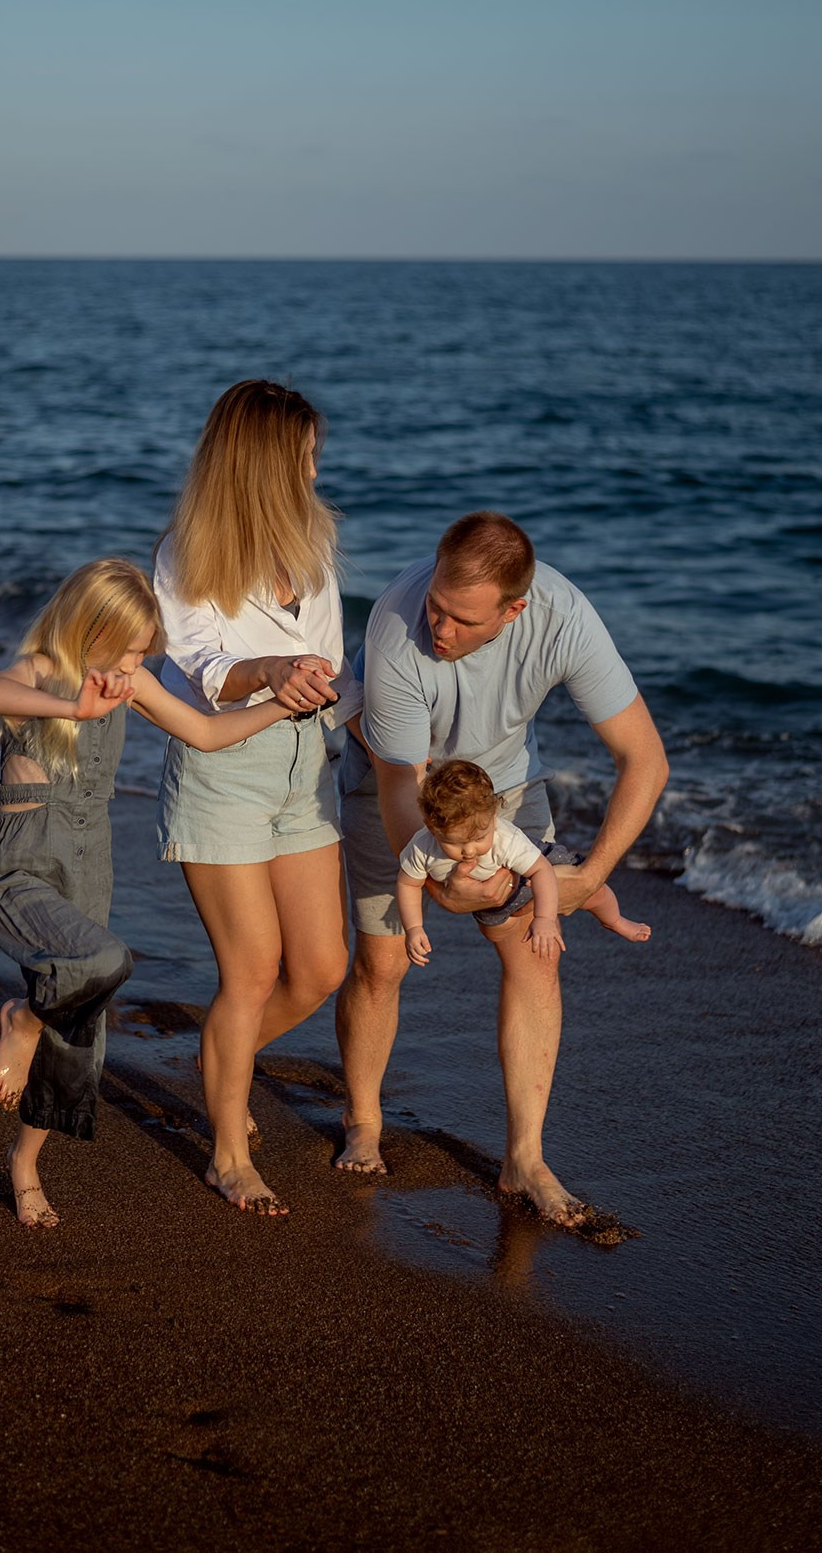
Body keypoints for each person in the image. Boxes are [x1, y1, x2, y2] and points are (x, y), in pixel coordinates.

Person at [336, 511, 668, 1225]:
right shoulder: (396, 626)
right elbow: (402, 786)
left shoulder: (563, 619)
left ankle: (526, 1157)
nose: (439, 627)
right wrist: (441, 884)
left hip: (503, 787)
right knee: (383, 962)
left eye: (461, 619)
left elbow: (644, 758)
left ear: (513, 612)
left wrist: (588, 877)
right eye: (436, 605)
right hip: (394, 784)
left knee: (534, 955)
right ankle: (362, 1119)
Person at [0, 558, 295, 1229]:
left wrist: (279, 702)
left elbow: (205, 733)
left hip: (90, 863)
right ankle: (21, 1020)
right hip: (21, 865)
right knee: (104, 962)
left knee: (80, 1029)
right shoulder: (41, 671)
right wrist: (73, 706)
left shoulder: (131, 681)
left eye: (144, 652)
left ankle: (25, 1161)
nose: (135, 664)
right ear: (89, 629)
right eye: (128, 649)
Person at [155, 379, 361, 1218]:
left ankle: (221, 1061)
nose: (314, 472)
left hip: (308, 766)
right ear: (265, 465)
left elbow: (333, 664)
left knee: (320, 968)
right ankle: (228, 1155)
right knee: (250, 972)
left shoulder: (313, 544)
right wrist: (272, 670)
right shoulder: (187, 552)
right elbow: (205, 668)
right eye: (305, 457)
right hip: (224, 767)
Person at [397, 757, 651, 969]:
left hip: (535, 863)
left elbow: (541, 870)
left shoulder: (506, 840)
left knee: (592, 891)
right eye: (454, 843)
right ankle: (524, 903)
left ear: (493, 818)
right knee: (495, 931)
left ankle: (615, 921)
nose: (469, 850)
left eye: (479, 838)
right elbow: (408, 884)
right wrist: (414, 928)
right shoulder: (422, 847)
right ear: (432, 828)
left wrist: (545, 919)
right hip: (489, 892)